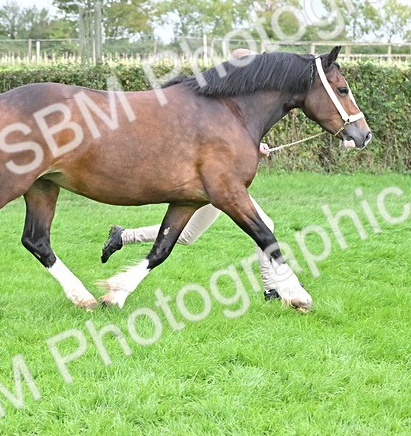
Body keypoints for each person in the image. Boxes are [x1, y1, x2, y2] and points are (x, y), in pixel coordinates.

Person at [100, 47, 288, 300]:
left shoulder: (237, 100)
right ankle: (271, 288)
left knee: (188, 235)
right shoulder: (218, 97)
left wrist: (256, 147)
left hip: (215, 180)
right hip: (212, 181)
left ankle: (123, 236)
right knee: (264, 225)